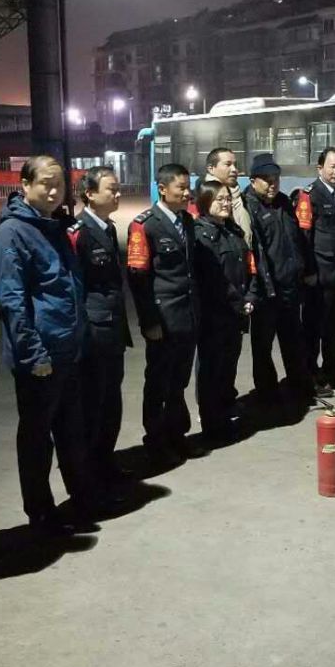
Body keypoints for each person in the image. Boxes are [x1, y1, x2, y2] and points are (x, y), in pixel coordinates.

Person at [0, 155, 102, 534]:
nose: (54, 191)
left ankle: (82, 499)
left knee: (72, 431)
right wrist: (33, 352)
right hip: (40, 357)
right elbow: (12, 299)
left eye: (59, 184)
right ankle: (40, 513)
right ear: (25, 185)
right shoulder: (12, 233)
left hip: (67, 349)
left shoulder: (52, 225)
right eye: (46, 184)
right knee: (37, 439)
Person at [127, 163, 206, 465]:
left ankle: (177, 435)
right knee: (158, 382)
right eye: (181, 188)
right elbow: (138, 278)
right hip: (164, 318)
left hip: (188, 315)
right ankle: (155, 440)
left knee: (179, 382)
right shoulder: (145, 225)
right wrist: (149, 321)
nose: (187, 193)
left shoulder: (187, 221)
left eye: (188, 187)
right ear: (162, 189)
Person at [68, 166, 134, 486]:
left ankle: (106, 463)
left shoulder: (106, 228)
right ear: (90, 194)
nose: (117, 194)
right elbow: (75, 289)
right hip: (94, 334)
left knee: (111, 402)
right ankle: (91, 475)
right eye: (111, 189)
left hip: (113, 330)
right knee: (93, 406)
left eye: (118, 188)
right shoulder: (78, 232)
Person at [244, 152, 313, 405]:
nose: (273, 183)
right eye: (267, 179)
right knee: (263, 347)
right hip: (266, 290)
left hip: (290, 287)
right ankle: (267, 393)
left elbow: (297, 240)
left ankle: (300, 386)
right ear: (253, 180)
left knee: (293, 341)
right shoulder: (247, 207)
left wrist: (305, 271)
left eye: (276, 178)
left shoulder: (284, 202)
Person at [192, 180, 257, 442]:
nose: (225, 203)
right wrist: (239, 302)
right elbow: (213, 279)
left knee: (228, 366)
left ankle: (224, 415)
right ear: (205, 202)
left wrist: (251, 296)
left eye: (228, 199)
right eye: (219, 199)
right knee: (211, 371)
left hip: (236, 313)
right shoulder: (200, 234)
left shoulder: (232, 230)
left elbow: (249, 265)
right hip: (214, 314)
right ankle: (212, 425)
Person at [295, 146, 335, 396]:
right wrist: (308, 272)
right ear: (320, 168)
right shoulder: (309, 196)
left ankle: (332, 366)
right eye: (332, 166)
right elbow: (303, 238)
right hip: (318, 273)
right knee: (314, 327)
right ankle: (310, 374)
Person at [203, 147, 253, 248]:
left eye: (235, 165)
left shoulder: (241, 196)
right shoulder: (202, 198)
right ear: (211, 169)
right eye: (228, 164)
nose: (234, 170)